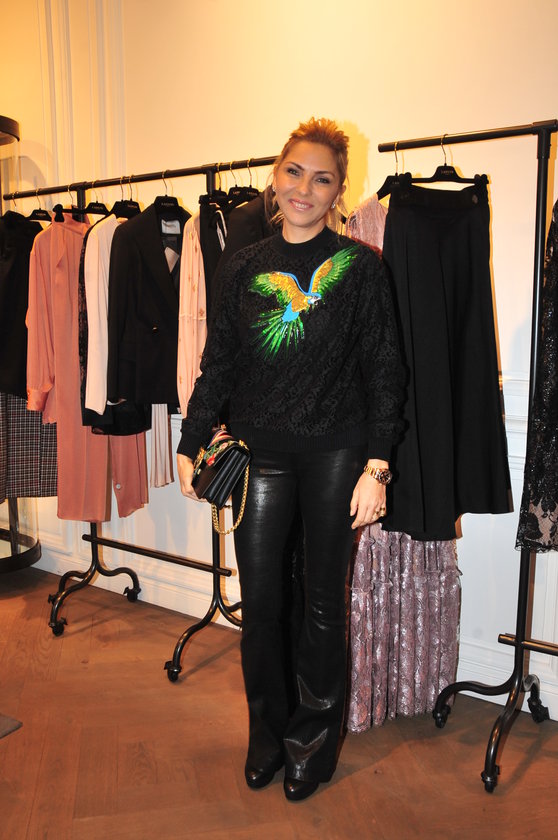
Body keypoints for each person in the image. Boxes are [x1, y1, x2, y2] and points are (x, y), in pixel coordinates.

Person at [177, 117, 404, 801]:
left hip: (336, 453)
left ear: (339, 191)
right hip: (259, 455)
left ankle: (312, 744)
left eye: (322, 178)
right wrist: (190, 441)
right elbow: (219, 363)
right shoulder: (242, 265)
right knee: (263, 603)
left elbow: (385, 373)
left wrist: (377, 467)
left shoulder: (361, 268)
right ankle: (267, 737)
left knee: (323, 605)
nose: (305, 189)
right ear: (276, 177)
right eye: (295, 172)